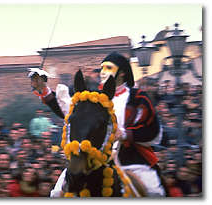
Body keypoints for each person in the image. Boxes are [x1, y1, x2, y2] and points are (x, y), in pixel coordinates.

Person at [29, 51, 165, 197]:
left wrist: (124, 134)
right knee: (56, 193)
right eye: (102, 68)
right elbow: (69, 112)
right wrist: (44, 90)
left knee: (155, 192)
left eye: (108, 68)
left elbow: (152, 129)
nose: (103, 72)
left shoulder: (137, 97)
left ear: (122, 73)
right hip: (90, 158)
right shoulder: (92, 96)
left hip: (129, 159)